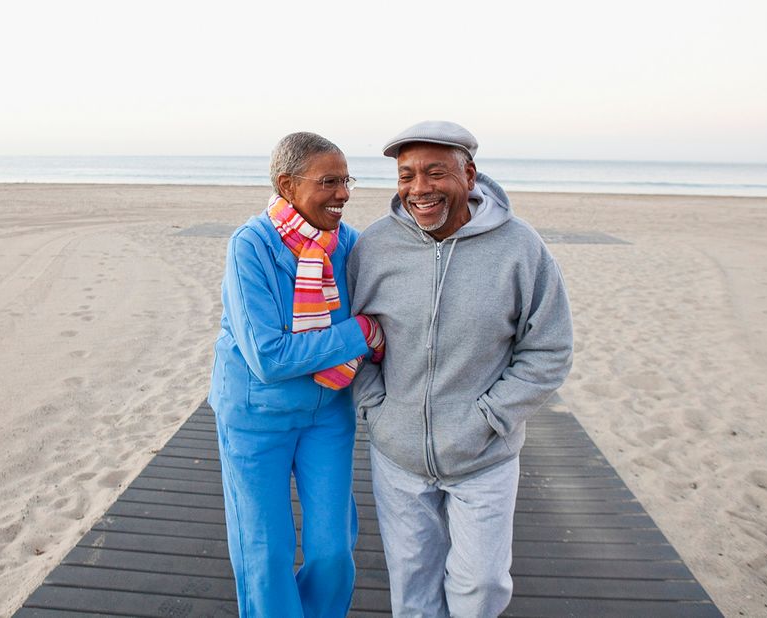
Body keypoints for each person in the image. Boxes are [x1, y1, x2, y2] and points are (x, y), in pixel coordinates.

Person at [348, 120, 573, 617]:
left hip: (484, 458)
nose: (419, 189)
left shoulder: (520, 247)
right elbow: (351, 340)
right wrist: (376, 410)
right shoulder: (375, 247)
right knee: (412, 591)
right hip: (398, 456)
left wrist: (488, 418)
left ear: (469, 176)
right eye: (406, 176)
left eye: (435, 173)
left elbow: (549, 349)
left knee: (482, 588)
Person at [208, 131, 385, 617]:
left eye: (347, 180)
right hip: (254, 416)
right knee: (265, 552)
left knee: (332, 550)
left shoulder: (349, 243)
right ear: (287, 185)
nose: (344, 193)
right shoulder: (251, 245)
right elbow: (269, 357)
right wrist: (361, 332)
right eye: (330, 181)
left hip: (328, 412)